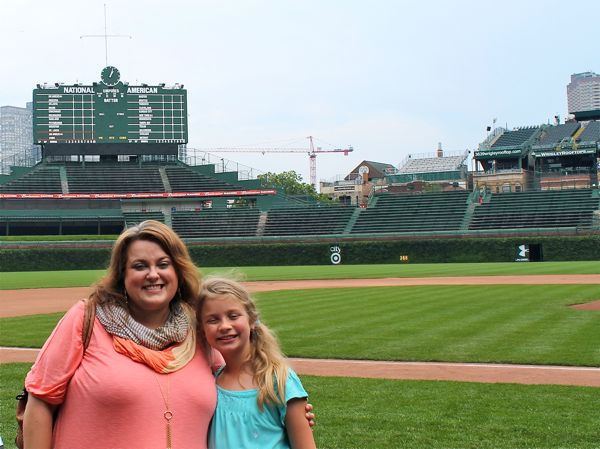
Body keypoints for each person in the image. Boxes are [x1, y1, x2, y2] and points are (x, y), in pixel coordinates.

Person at [23, 220, 314, 449]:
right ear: (122, 275)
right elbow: (40, 401)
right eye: (139, 266)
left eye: (163, 264)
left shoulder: (197, 330)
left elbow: (235, 388)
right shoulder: (86, 318)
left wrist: (289, 413)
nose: (153, 274)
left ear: (178, 271)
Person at [198, 277, 317, 449]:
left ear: (252, 320)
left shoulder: (278, 381)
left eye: (233, 316)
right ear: (202, 330)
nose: (224, 326)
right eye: (213, 320)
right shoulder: (211, 385)